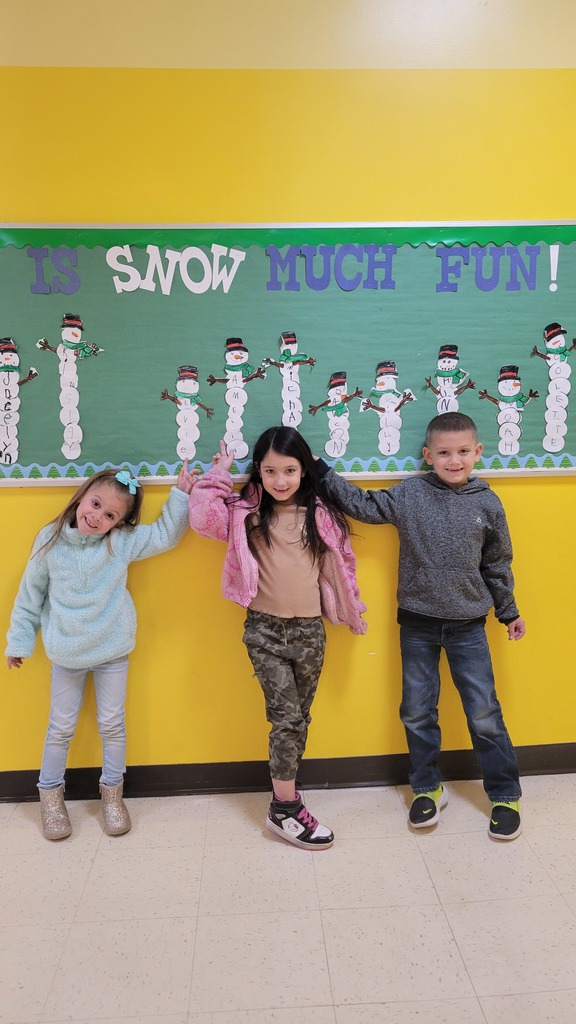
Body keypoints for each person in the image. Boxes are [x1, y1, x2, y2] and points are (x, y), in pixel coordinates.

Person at [316, 411, 524, 841]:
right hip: (417, 624)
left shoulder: (488, 502)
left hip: (469, 625)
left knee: (484, 713)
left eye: (463, 451)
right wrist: (320, 470)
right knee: (416, 711)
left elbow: (497, 564)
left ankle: (505, 794)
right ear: (428, 455)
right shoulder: (410, 494)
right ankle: (428, 788)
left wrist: (508, 611)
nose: (454, 460)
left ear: (477, 452)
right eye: (444, 453)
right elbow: (363, 505)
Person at [188, 426, 367, 850]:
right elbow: (204, 520)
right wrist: (217, 476)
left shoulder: (320, 514)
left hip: (309, 631)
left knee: (298, 719)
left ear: (304, 470)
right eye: (270, 471)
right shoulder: (246, 513)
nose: (280, 480)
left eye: (289, 469)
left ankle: (286, 796)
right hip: (264, 630)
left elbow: (341, 566)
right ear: (259, 472)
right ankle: (284, 809)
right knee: (286, 719)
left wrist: (351, 608)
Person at [5, 463, 198, 841]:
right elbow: (30, 597)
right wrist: (19, 641)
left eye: (110, 514)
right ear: (81, 496)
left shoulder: (120, 542)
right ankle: (49, 797)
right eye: (94, 504)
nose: (97, 517)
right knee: (60, 728)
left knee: (113, 724)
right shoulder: (49, 540)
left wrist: (181, 495)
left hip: (111, 649)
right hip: (66, 653)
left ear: (119, 522)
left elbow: (164, 536)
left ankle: (112, 795)